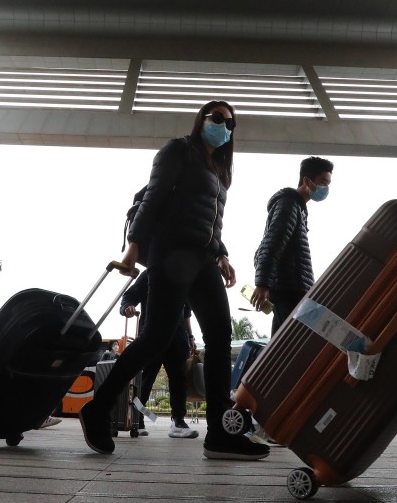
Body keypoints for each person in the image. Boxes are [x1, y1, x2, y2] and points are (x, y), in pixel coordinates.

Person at [79, 100, 269, 460]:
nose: (224, 126)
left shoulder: (219, 169)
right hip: (171, 254)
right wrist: (133, 248)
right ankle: (98, 407)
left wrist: (223, 254)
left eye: (231, 123)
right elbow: (153, 198)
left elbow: (210, 220)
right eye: (217, 118)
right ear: (202, 120)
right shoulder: (178, 150)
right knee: (154, 339)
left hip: (203, 259)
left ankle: (218, 436)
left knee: (219, 337)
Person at [250, 156, 334, 335]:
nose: (325, 189)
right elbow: (273, 242)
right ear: (307, 181)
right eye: (323, 182)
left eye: (328, 184)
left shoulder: (297, 207)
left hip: (291, 289)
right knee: (286, 346)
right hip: (287, 290)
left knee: (284, 344)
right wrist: (263, 283)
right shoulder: (289, 204)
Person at [119, 270, 198, 439]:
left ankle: (178, 421)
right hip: (152, 335)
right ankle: (138, 419)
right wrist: (126, 307)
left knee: (178, 379)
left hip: (177, 338)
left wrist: (190, 336)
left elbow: (186, 312)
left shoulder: (184, 276)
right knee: (146, 380)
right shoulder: (150, 273)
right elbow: (130, 295)